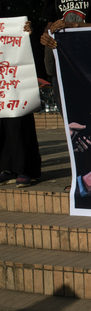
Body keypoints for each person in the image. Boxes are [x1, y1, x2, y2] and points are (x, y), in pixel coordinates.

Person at [40, 0, 91, 112]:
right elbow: (49, 25)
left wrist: (76, 25)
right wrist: (46, 36)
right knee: (69, 117)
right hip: (62, 64)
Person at [0, 12, 42, 188]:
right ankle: (8, 167)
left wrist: (26, 32)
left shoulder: (8, 15)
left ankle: (25, 169)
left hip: (12, 78)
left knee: (18, 118)